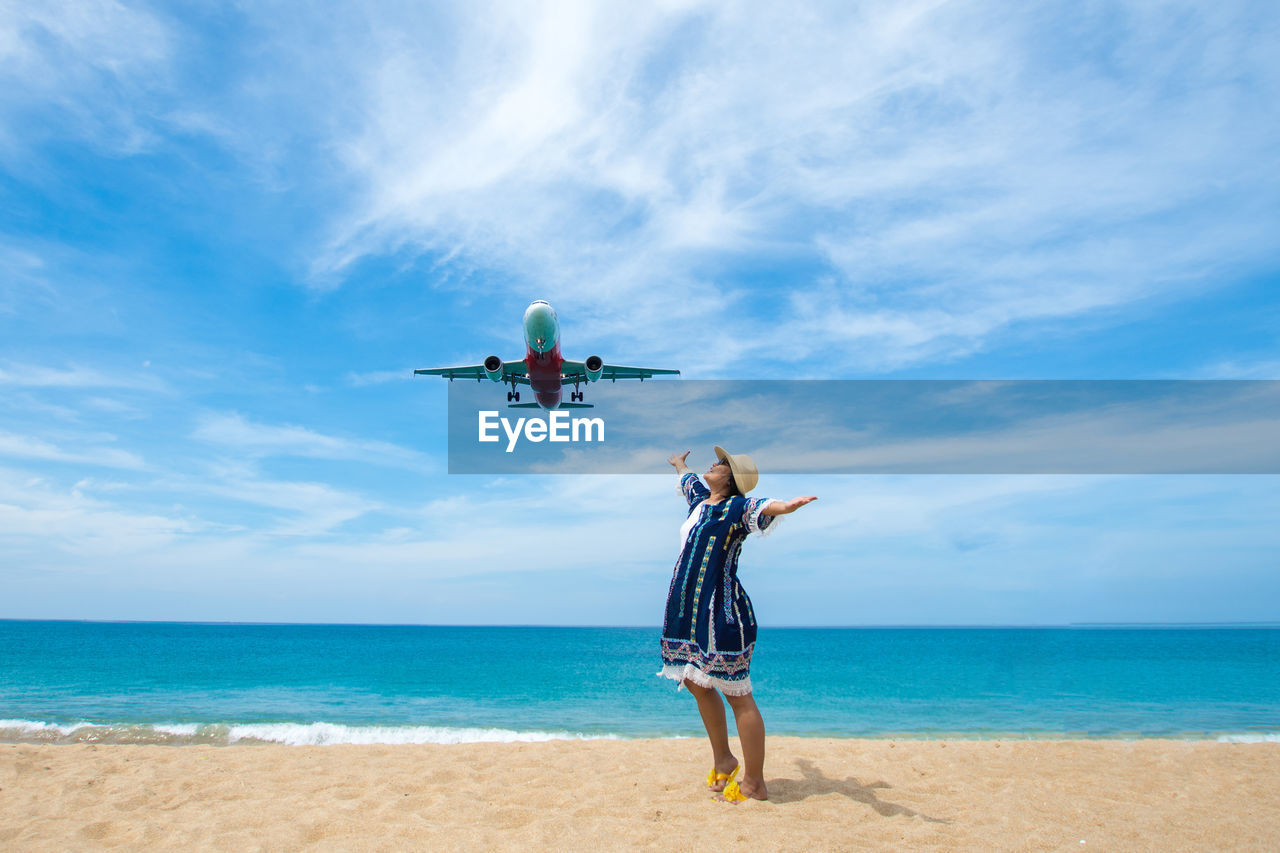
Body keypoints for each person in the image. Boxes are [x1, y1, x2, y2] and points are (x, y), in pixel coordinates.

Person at [660, 447, 817, 803]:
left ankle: (755, 782)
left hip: (723, 613)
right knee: (694, 680)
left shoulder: (735, 508)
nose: (711, 465)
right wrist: (680, 465)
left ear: (730, 479)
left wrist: (787, 507)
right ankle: (724, 759)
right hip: (688, 611)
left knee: (738, 696)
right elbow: (688, 482)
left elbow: (761, 507)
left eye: (719, 464)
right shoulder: (701, 502)